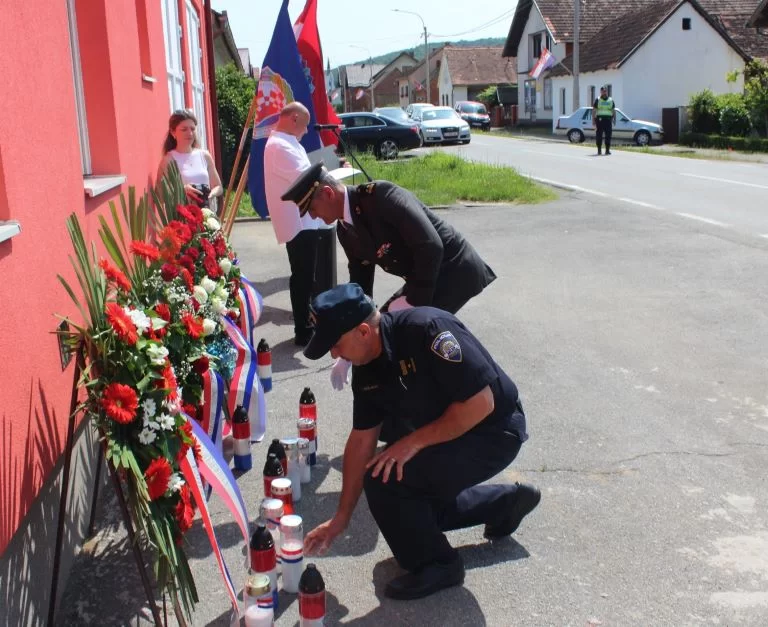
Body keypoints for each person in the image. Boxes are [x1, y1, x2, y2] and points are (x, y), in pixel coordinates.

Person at [302, 283, 540, 600]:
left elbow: (481, 403)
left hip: (493, 429)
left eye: (335, 343)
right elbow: (362, 441)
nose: (334, 353)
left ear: (362, 331)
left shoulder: (427, 330)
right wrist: (340, 518)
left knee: (386, 479)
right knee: (414, 511)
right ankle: (505, 503)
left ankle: (439, 564)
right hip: (452, 431)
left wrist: (412, 443)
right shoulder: (367, 368)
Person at [280, 162, 496, 388]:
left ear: (327, 193)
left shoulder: (381, 197)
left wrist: (414, 302)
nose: (313, 217)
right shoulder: (345, 230)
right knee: (382, 329)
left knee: (410, 337)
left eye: (312, 209)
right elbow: (360, 288)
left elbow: (431, 246)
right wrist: (348, 345)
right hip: (423, 277)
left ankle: (460, 391)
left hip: (454, 269)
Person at [264, 102, 335, 346]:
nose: (306, 131)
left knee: (307, 274)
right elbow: (305, 175)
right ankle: (303, 330)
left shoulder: (287, 141)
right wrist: (332, 171)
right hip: (297, 220)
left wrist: (330, 166)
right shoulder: (278, 145)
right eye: (304, 125)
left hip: (304, 218)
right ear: (293, 118)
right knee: (303, 276)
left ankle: (307, 322)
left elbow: (306, 170)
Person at [157, 109, 222, 208]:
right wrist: (182, 190)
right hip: (183, 218)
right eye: (184, 129)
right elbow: (160, 196)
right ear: (173, 132)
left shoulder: (204, 156)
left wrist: (211, 194)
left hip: (207, 215)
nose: (190, 133)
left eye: (192, 129)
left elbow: (218, 187)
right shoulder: (168, 160)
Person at [592, 86, 616, 156]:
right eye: (603, 91)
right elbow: (594, 110)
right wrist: (593, 120)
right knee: (599, 135)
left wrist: (614, 119)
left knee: (608, 135)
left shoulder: (610, 100)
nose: (604, 92)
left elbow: (613, 110)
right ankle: (599, 150)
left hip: (608, 120)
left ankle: (607, 150)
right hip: (599, 120)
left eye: (605, 91)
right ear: (601, 92)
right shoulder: (598, 100)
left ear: (607, 92)